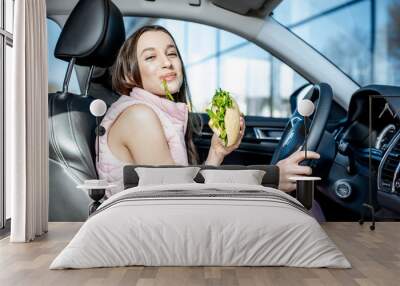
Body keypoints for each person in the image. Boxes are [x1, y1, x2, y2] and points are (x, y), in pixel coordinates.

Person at [96, 25, 320, 201]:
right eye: (150, 57)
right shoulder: (139, 117)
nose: (167, 63)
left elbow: (185, 190)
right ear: (128, 75)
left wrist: (216, 153)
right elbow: (176, 197)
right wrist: (269, 179)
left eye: (172, 53)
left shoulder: (158, 114)